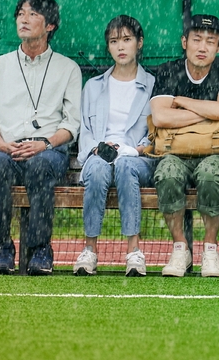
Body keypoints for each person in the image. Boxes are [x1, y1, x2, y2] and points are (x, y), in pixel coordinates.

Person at [0, 0, 82, 275]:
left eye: (33, 14)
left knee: (40, 165)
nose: (24, 18)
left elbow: (72, 125)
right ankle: (3, 250)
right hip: (6, 150)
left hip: (49, 152)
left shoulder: (68, 68)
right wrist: (3, 145)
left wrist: (44, 144)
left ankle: (39, 250)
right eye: (21, 13)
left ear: (50, 26)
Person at [150, 14, 219, 277]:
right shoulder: (169, 69)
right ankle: (180, 247)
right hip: (175, 150)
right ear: (184, 42)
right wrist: (209, 113)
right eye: (197, 40)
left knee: (210, 173)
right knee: (167, 173)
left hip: (217, 152)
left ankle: (210, 249)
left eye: (210, 41)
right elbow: (160, 117)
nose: (203, 47)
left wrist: (182, 101)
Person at [73, 16, 156, 277]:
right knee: (97, 169)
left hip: (137, 159)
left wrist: (136, 149)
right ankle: (89, 251)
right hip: (98, 155)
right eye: (114, 41)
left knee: (125, 166)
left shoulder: (152, 84)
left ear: (139, 43)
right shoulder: (94, 86)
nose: (120, 46)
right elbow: (84, 131)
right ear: (108, 47)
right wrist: (97, 148)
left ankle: (134, 252)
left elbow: (157, 132)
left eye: (127, 40)